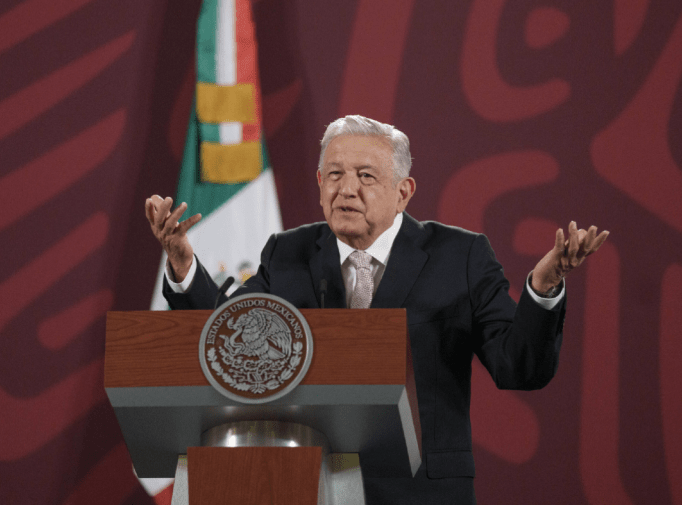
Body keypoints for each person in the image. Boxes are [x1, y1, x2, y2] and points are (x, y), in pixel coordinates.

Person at [145, 115, 608, 504]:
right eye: (335, 175)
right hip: (304, 486)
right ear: (320, 183)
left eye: (366, 176)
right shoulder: (289, 253)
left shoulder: (460, 256)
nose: (347, 189)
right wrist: (184, 267)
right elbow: (228, 338)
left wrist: (544, 288)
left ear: (404, 191)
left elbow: (518, 366)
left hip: (421, 492)